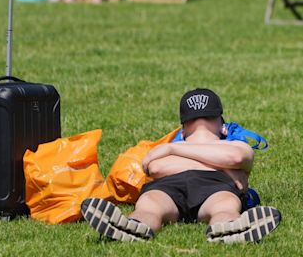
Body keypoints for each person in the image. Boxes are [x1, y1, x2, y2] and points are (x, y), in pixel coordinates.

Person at [81, 88, 281, 243]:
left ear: (183, 127)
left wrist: (173, 151)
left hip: (169, 185)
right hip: (216, 184)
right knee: (224, 206)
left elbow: (236, 157)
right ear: (222, 124)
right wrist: (225, 169)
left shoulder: (171, 147)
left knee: (150, 205)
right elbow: (156, 168)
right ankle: (229, 226)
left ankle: (135, 224)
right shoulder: (229, 144)